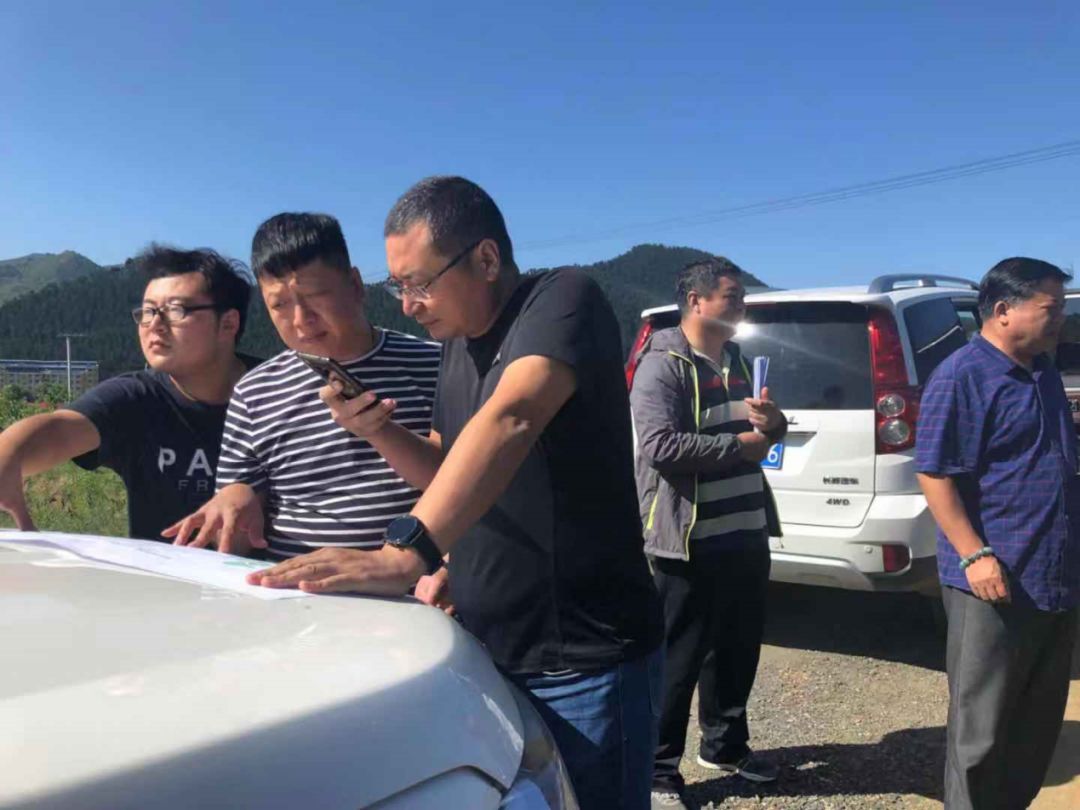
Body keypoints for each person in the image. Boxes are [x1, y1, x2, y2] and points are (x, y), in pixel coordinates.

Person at [240, 177, 665, 810]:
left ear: (486, 259)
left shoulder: (563, 299)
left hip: (583, 660)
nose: (408, 305)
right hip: (487, 650)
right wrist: (377, 430)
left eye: (419, 283)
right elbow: (443, 465)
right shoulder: (457, 347)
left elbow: (513, 415)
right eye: (397, 286)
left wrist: (403, 553)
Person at [167, 213, 442, 566]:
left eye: (315, 296)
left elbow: (471, 485)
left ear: (355, 285)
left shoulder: (435, 365)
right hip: (294, 587)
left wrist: (379, 430)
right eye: (279, 305)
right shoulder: (254, 392)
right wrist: (235, 500)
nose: (301, 320)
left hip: (412, 585)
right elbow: (240, 531)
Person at [916, 257, 1080, 810]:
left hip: (1053, 572)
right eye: (1051, 308)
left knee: (1036, 721)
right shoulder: (961, 376)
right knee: (981, 729)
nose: (1061, 319)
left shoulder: (1042, 370)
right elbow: (934, 472)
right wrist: (974, 555)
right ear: (1004, 310)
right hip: (994, 578)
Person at [629, 258, 787, 809]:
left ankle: (725, 746)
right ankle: (658, 772)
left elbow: (770, 430)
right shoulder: (662, 364)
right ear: (696, 301)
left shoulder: (738, 358)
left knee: (737, 649)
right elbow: (660, 446)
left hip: (745, 529)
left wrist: (773, 424)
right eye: (731, 295)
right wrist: (741, 446)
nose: (740, 304)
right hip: (688, 539)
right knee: (678, 659)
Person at [0, 245, 256, 541]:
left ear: (228, 323)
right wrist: (8, 455)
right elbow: (60, 428)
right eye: (148, 311)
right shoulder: (137, 398)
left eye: (176, 310)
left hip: (275, 570)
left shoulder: (283, 392)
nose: (155, 325)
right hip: (162, 571)